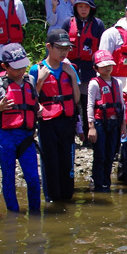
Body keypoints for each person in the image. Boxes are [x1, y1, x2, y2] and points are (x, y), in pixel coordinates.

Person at [0, 43, 40, 213]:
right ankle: (13, 215)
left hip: (26, 136)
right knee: (9, 177)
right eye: (16, 68)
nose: (20, 71)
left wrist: (38, 109)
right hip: (5, 136)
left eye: (23, 66)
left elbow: (33, 101)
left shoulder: (30, 80)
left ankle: (35, 215)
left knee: (33, 178)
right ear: (4, 66)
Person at [31, 29, 82, 203]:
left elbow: (76, 99)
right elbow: (32, 99)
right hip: (47, 122)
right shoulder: (36, 69)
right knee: (50, 160)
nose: (63, 52)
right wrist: (40, 81)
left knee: (67, 160)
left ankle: (67, 196)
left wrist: (72, 77)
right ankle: (51, 198)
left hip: (67, 121)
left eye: (67, 49)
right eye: (60, 48)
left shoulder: (70, 68)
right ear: (49, 47)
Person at [87, 50, 124, 192]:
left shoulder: (117, 83)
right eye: (103, 66)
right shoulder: (94, 84)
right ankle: (97, 184)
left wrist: (123, 125)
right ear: (96, 68)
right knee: (100, 155)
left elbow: (121, 104)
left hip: (114, 124)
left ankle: (106, 184)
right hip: (99, 123)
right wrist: (91, 126)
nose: (107, 68)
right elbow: (90, 105)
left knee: (110, 155)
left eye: (109, 65)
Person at [67, 0, 104, 92]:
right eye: (80, 6)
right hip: (70, 68)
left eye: (86, 6)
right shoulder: (68, 22)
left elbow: (102, 49)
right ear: (76, 7)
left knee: (87, 99)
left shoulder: (98, 24)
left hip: (89, 69)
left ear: (91, 8)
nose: (83, 9)